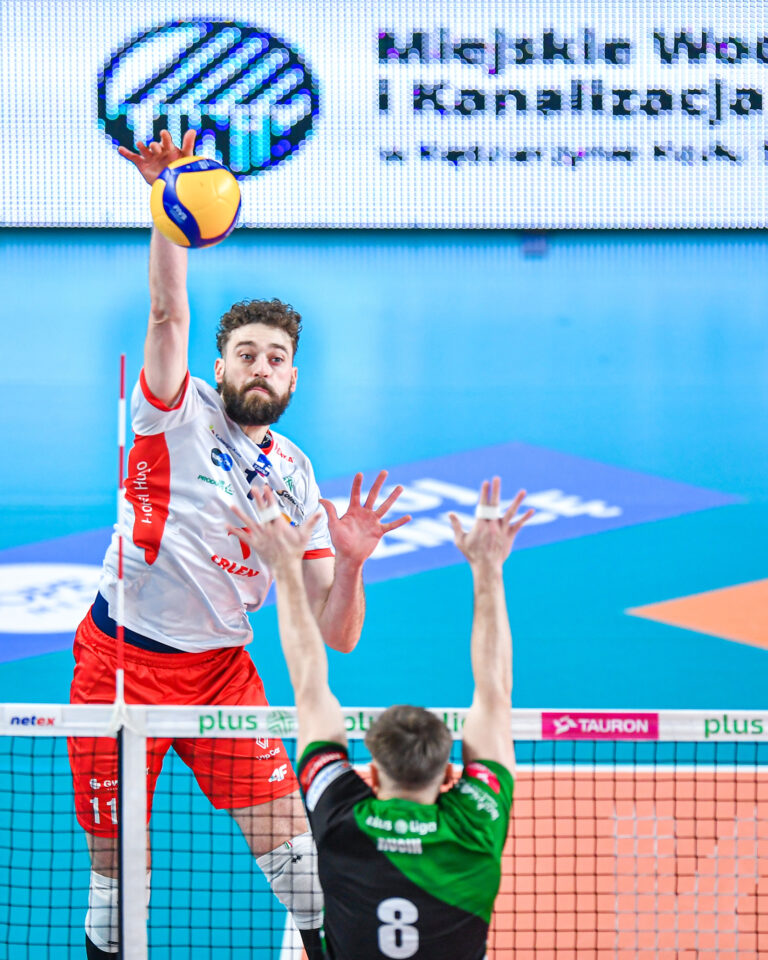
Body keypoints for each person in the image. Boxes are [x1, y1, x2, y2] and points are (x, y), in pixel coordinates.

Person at [68, 129, 410, 960]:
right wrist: (166, 209)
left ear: (293, 378)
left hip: (222, 672)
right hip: (122, 666)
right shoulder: (173, 412)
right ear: (219, 366)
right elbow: (167, 312)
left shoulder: (297, 475)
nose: (261, 366)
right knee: (118, 886)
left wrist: (350, 562)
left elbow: (338, 634)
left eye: (276, 358)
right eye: (246, 354)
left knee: (307, 876)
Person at [228, 477, 534, 959]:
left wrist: (284, 568)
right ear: (450, 775)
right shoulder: (475, 826)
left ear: (371, 772)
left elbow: (309, 684)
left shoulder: (341, 818)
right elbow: (495, 692)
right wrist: (488, 568)